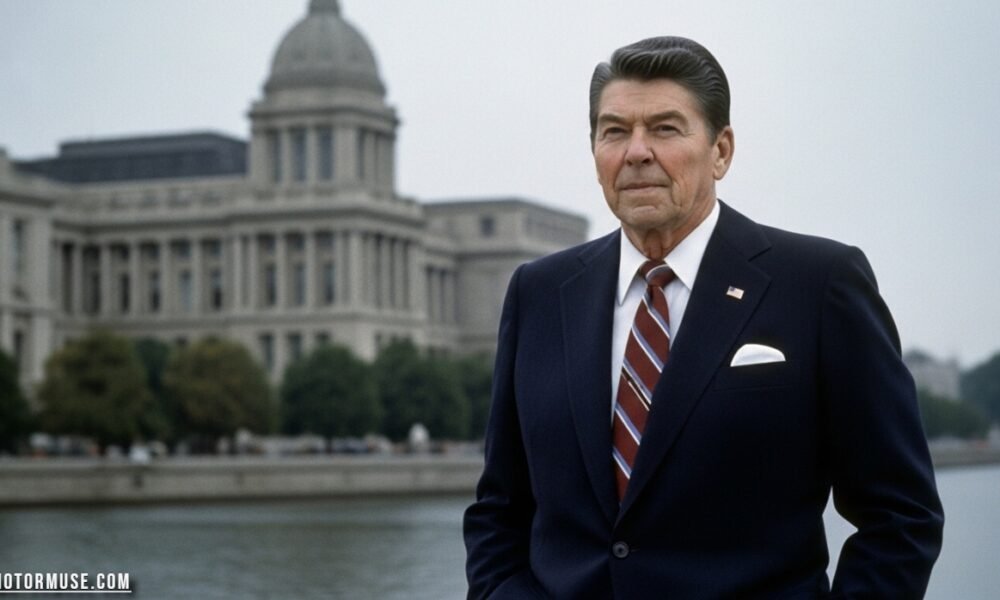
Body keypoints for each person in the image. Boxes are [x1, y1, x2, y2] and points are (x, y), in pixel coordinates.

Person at [464, 36, 943, 599]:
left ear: (721, 150)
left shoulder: (818, 283)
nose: (636, 152)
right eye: (614, 131)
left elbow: (901, 515)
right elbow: (500, 508)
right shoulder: (538, 292)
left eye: (665, 128)